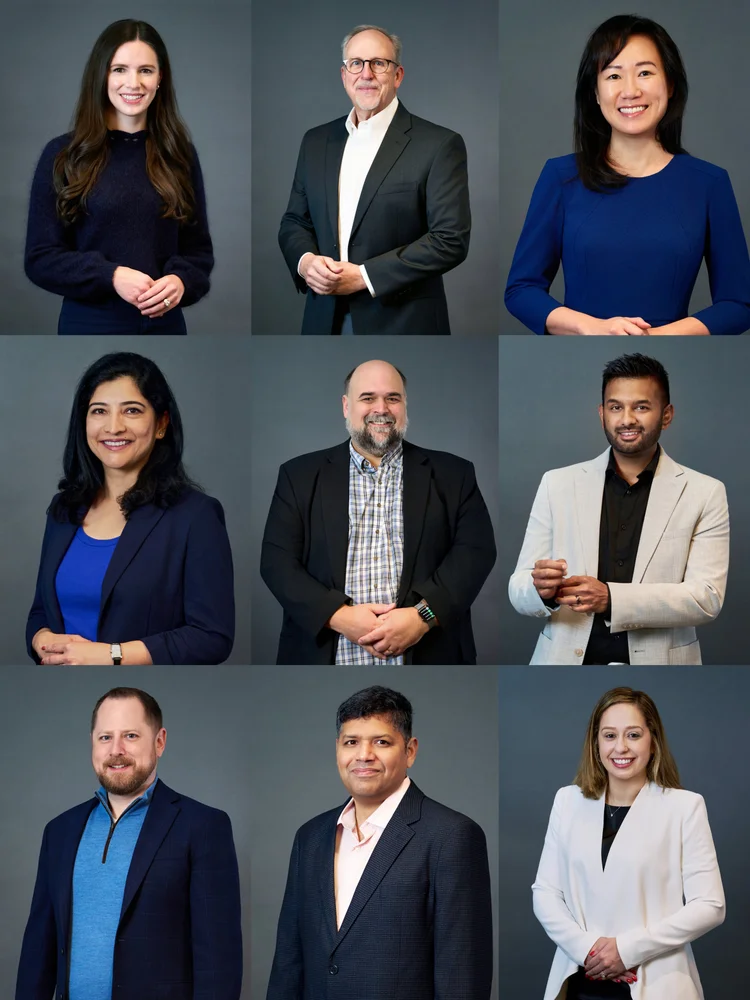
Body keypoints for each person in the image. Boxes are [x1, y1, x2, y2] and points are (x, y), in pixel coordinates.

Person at [505, 14, 750, 336]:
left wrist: (657, 337)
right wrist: (591, 328)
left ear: (670, 84)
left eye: (645, 73)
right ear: (595, 91)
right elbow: (521, 290)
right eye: (613, 76)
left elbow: (738, 304)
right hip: (581, 345)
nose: (630, 91)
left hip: (672, 346)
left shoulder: (709, 183)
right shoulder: (561, 176)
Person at [260, 359, 496, 664]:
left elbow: (476, 554)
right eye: (367, 398)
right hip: (322, 658)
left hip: (431, 656)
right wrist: (338, 616)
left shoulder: (455, 474)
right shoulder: (298, 476)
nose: (381, 408)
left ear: (405, 405)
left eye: (393, 398)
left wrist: (423, 616)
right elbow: (276, 563)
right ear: (346, 406)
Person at [15, 687, 242, 1000]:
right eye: (105, 737)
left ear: (159, 741)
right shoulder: (59, 831)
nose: (116, 750)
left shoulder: (203, 826)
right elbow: (38, 951)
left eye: (131, 736)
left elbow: (219, 964)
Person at [266, 685, 493, 999]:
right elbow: (288, 963)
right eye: (351, 742)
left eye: (382, 742)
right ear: (337, 749)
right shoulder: (310, 836)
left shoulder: (451, 836)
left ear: (410, 750)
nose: (363, 755)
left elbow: (461, 976)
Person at [508, 354, 728, 664]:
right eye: (615, 407)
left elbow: (707, 598)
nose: (626, 419)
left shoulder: (706, 492)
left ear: (666, 415)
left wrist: (611, 598)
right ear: (601, 414)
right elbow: (518, 586)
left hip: (662, 665)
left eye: (641, 406)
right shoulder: (557, 483)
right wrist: (541, 590)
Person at [26, 352, 234, 664]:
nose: (113, 427)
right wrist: (40, 638)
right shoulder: (63, 509)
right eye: (99, 411)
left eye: (132, 411)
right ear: (84, 421)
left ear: (162, 424)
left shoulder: (196, 516)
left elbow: (212, 637)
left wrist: (112, 655)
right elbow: (42, 609)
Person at [533, 686, 724, 1000]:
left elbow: (711, 906)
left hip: (657, 983)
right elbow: (545, 893)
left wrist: (626, 950)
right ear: (595, 742)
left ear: (653, 740)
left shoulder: (684, 807)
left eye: (633, 735)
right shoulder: (567, 801)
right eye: (609, 735)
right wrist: (592, 951)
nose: (620, 747)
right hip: (580, 981)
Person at [278, 24, 470, 335]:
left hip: (403, 323)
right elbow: (294, 221)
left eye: (378, 63)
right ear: (344, 76)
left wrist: (366, 276)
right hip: (323, 321)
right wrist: (306, 262)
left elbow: (450, 240)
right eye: (356, 63)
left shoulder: (439, 144)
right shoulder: (315, 141)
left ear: (398, 75)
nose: (365, 74)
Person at [25, 19, 213, 334]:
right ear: (102, 75)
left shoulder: (180, 154)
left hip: (165, 326)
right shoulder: (62, 154)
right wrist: (111, 276)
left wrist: (181, 281)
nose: (134, 83)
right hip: (88, 324)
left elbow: (198, 253)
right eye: (120, 69)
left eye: (146, 70)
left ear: (160, 79)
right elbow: (40, 258)